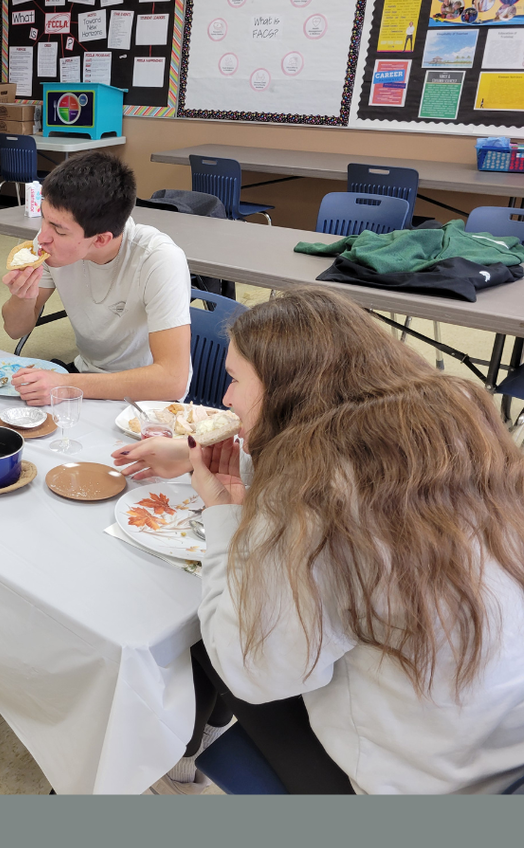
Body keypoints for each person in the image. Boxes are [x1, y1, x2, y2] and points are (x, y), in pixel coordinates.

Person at [113, 286, 524, 794]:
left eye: (236, 380)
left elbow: (251, 669)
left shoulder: (310, 500)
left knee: (197, 632)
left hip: (420, 783)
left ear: (287, 392)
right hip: (502, 746)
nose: (225, 398)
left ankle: (174, 762)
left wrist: (223, 511)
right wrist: (191, 451)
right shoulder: (449, 427)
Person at [0, 151, 191, 406]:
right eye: (44, 219)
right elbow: (15, 330)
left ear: (101, 239)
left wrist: (66, 385)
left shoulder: (158, 260)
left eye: (59, 230)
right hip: (86, 377)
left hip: (146, 395)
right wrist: (23, 297)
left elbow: (172, 380)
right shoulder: (48, 248)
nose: (43, 237)